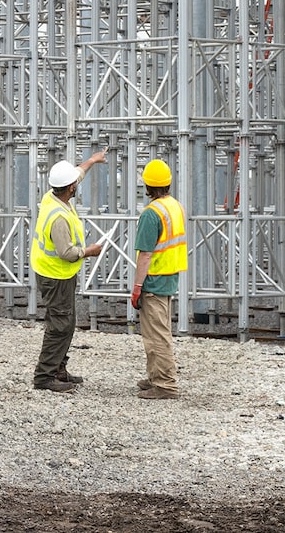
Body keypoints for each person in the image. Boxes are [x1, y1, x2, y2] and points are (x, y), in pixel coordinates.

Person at [30, 150, 106, 393]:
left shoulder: (53, 197)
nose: (77, 182)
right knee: (60, 325)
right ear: (71, 188)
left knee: (66, 322)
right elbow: (66, 252)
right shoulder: (59, 217)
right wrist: (89, 251)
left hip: (56, 273)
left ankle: (58, 369)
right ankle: (45, 376)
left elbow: (78, 174)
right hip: (56, 275)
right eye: (75, 182)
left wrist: (93, 160)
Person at [129, 158, 186, 400]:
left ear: (147, 186)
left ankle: (165, 385)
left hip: (154, 280)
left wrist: (137, 287)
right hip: (170, 276)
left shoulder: (151, 214)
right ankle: (155, 376)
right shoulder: (175, 206)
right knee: (157, 331)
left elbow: (145, 255)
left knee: (157, 335)